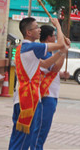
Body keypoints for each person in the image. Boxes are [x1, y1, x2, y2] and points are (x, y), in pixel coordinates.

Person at [8, 17, 66, 150]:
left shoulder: (22, 48)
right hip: (28, 100)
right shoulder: (33, 47)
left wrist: (61, 52)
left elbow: (45, 63)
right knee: (22, 141)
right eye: (36, 27)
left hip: (24, 97)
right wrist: (58, 25)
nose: (40, 30)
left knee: (20, 139)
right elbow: (60, 44)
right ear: (28, 32)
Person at [34, 24, 67, 150]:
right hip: (45, 96)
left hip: (51, 94)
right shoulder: (43, 51)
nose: (55, 38)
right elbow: (54, 67)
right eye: (54, 35)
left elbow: (52, 71)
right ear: (49, 37)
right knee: (41, 129)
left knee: (43, 129)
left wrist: (61, 74)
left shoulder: (48, 52)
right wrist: (62, 52)